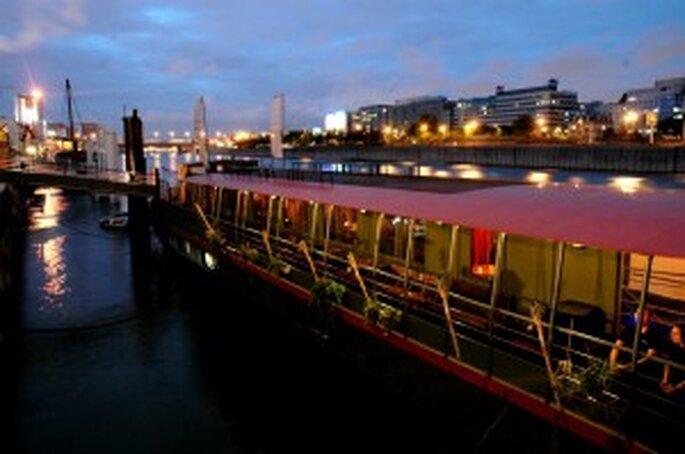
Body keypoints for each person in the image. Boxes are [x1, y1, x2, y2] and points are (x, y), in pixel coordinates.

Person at [609, 308, 658, 374]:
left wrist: (627, 367)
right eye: (637, 313)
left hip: (640, 370)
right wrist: (612, 364)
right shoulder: (628, 330)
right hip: (622, 364)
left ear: (649, 317)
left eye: (644, 314)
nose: (639, 316)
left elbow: (648, 357)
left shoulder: (653, 335)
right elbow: (616, 346)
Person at [660, 324, 685, 396]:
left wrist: (676, 388)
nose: (671, 335)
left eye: (675, 334)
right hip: (672, 381)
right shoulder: (673, 346)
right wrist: (665, 379)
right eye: (671, 333)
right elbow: (668, 362)